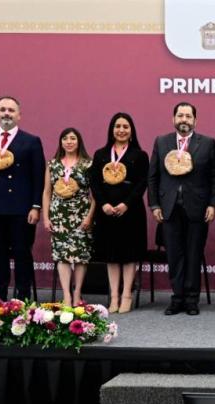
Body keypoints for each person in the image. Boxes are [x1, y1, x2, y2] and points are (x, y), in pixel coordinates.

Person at [148, 102, 215, 316]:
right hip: (169, 208)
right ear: (173, 119)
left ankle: (191, 300)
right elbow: (153, 177)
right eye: (180, 115)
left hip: (197, 208)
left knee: (193, 254)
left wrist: (212, 204)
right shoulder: (162, 142)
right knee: (174, 255)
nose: (184, 120)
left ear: (195, 121)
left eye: (188, 116)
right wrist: (154, 205)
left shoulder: (207, 143)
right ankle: (176, 297)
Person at [0, 96, 44, 300]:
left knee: (22, 254)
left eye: (11, 110)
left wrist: (36, 206)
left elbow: (38, 177)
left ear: (19, 115)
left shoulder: (31, 141)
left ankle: (23, 297)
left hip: (21, 209)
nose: (6, 114)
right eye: (2, 109)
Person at [89, 113, 148, 313]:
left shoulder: (140, 155)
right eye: (117, 126)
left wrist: (126, 204)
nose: (121, 130)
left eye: (125, 126)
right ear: (111, 130)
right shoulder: (100, 154)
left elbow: (142, 184)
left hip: (130, 211)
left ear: (131, 131)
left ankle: (127, 295)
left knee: (129, 254)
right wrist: (103, 204)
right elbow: (94, 183)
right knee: (111, 255)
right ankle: (113, 297)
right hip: (106, 212)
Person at [41, 128, 95, 307]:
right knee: (62, 256)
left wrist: (89, 217)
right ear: (61, 142)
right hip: (58, 215)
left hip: (81, 214)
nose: (69, 141)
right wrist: (46, 217)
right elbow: (47, 192)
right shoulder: (53, 164)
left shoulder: (88, 164)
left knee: (81, 256)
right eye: (65, 138)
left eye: (73, 138)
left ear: (79, 141)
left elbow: (95, 196)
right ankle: (66, 295)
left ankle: (77, 292)